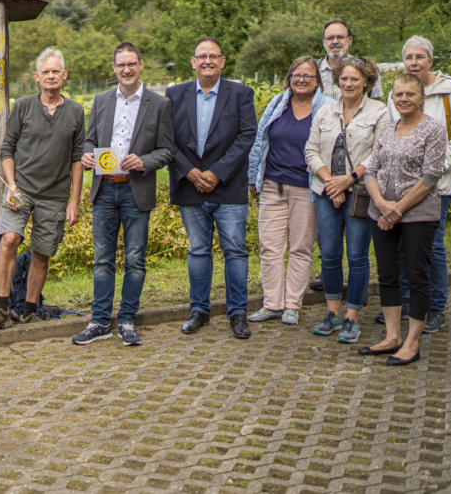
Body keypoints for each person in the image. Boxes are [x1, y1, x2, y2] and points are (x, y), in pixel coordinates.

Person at [0, 48, 85, 334]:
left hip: (55, 195)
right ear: (37, 77)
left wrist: (74, 200)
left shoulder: (75, 111)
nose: (51, 76)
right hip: (21, 189)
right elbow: (6, 149)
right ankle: (0, 308)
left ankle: (28, 311)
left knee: (42, 252)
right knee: (9, 239)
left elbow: (77, 159)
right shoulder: (23, 106)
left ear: (64, 75)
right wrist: (11, 186)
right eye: (45, 71)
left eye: (56, 71)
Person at [73, 42, 175, 346]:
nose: (126, 69)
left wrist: (144, 161)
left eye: (131, 64)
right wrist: (87, 156)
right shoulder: (102, 100)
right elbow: (89, 140)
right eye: (121, 65)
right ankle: (100, 321)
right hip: (104, 190)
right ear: (114, 68)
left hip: (136, 190)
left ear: (140, 65)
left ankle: (128, 320)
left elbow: (168, 149)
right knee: (102, 259)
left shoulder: (159, 104)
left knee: (135, 259)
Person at [378, 36, 451, 334]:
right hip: (400, 187)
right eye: (409, 57)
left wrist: (431, 170)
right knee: (405, 246)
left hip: (437, 186)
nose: (414, 62)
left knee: (431, 247)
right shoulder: (399, 91)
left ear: (431, 61)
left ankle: (436, 307)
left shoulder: (450, 91)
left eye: (420, 57)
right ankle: (408, 303)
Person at [166, 37, 257, 339]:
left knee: (235, 250)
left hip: (228, 187)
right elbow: (167, 140)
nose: (207, 61)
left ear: (222, 61)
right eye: (201, 56)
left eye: (213, 56)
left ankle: (238, 313)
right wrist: (190, 172)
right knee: (198, 250)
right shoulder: (174, 95)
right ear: (192, 62)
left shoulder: (241, 94)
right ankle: (199, 310)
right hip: (190, 186)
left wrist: (217, 173)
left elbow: (246, 136)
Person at [360, 73, 448, 365]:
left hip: (418, 216)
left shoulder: (433, 129)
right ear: (392, 97)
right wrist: (382, 204)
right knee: (387, 275)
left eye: (410, 94)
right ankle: (392, 337)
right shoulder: (386, 130)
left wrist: (396, 210)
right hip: (381, 213)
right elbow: (371, 170)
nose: (404, 99)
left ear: (422, 97)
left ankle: (412, 343)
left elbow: (430, 176)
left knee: (416, 275)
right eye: (399, 94)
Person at [304, 56, 390, 345]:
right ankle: (332, 313)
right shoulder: (325, 112)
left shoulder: (380, 112)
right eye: (344, 79)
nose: (349, 83)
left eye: (355, 79)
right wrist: (332, 182)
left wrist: (349, 179)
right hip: (327, 192)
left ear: (366, 81)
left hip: (361, 194)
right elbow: (311, 150)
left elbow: (379, 153)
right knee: (328, 255)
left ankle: (352, 317)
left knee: (356, 256)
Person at [246, 56, 328, 326]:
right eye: (297, 74)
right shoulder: (278, 103)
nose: (301, 79)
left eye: (308, 75)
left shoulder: (326, 108)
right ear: (289, 78)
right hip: (272, 186)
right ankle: (272, 304)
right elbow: (260, 138)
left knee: (301, 248)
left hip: (306, 189)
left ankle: (292, 304)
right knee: (270, 247)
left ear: (318, 82)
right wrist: (253, 177)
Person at [317, 19, 385, 101]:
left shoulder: (367, 70)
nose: (335, 41)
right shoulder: (313, 71)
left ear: (350, 40)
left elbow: (376, 105)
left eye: (340, 37)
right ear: (324, 42)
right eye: (330, 38)